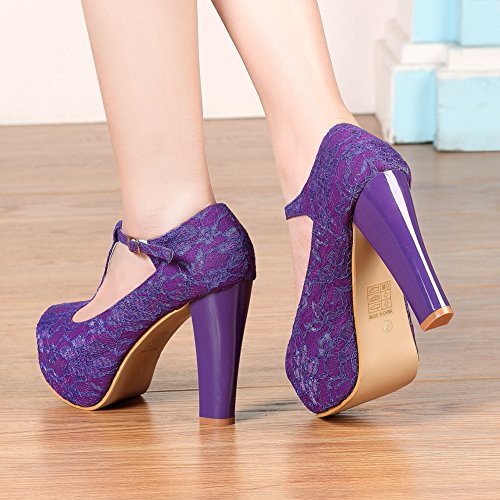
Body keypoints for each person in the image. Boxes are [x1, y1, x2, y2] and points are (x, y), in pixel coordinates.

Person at [36, 0, 453, 425]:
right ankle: (325, 145)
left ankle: (165, 219)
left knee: (166, 209)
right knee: (316, 132)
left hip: (176, 247)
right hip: (346, 160)